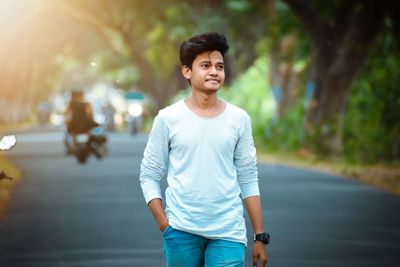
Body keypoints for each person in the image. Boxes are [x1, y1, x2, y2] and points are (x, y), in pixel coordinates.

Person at [139, 32, 269, 267]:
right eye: (206, 65)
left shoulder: (239, 119)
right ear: (187, 71)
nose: (214, 71)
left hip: (228, 233)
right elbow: (149, 175)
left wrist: (260, 236)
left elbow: (248, 178)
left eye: (219, 66)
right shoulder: (168, 118)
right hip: (180, 232)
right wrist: (164, 224)